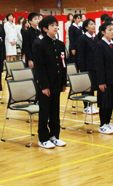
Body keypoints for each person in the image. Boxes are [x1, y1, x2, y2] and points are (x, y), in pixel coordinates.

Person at [32, 16, 67, 149]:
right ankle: (43, 138)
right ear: (45, 29)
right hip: (46, 84)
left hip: (57, 83)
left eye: (56, 25)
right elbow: (39, 67)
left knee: (55, 110)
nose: (56, 27)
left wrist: (64, 82)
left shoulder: (60, 44)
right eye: (52, 25)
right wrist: (44, 86)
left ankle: (55, 135)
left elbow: (63, 64)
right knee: (45, 111)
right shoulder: (39, 44)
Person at [94, 22, 113, 135]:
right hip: (105, 79)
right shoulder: (100, 45)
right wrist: (101, 81)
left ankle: (108, 122)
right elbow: (99, 65)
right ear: (103, 32)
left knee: (111, 102)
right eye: (109, 29)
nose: (112, 32)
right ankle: (102, 124)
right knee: (105, 103)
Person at [76, 18, 99, 115]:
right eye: (91, 24)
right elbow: (80, 55)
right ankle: (86, 106)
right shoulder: (83, 38)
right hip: (86, 66)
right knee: (87, 87)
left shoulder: (96, 37)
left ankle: (91, 104)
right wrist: (82, 68)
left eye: (94, 24)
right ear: (86, 27)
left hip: (95, 66)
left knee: (93, 86)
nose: (93, 26)